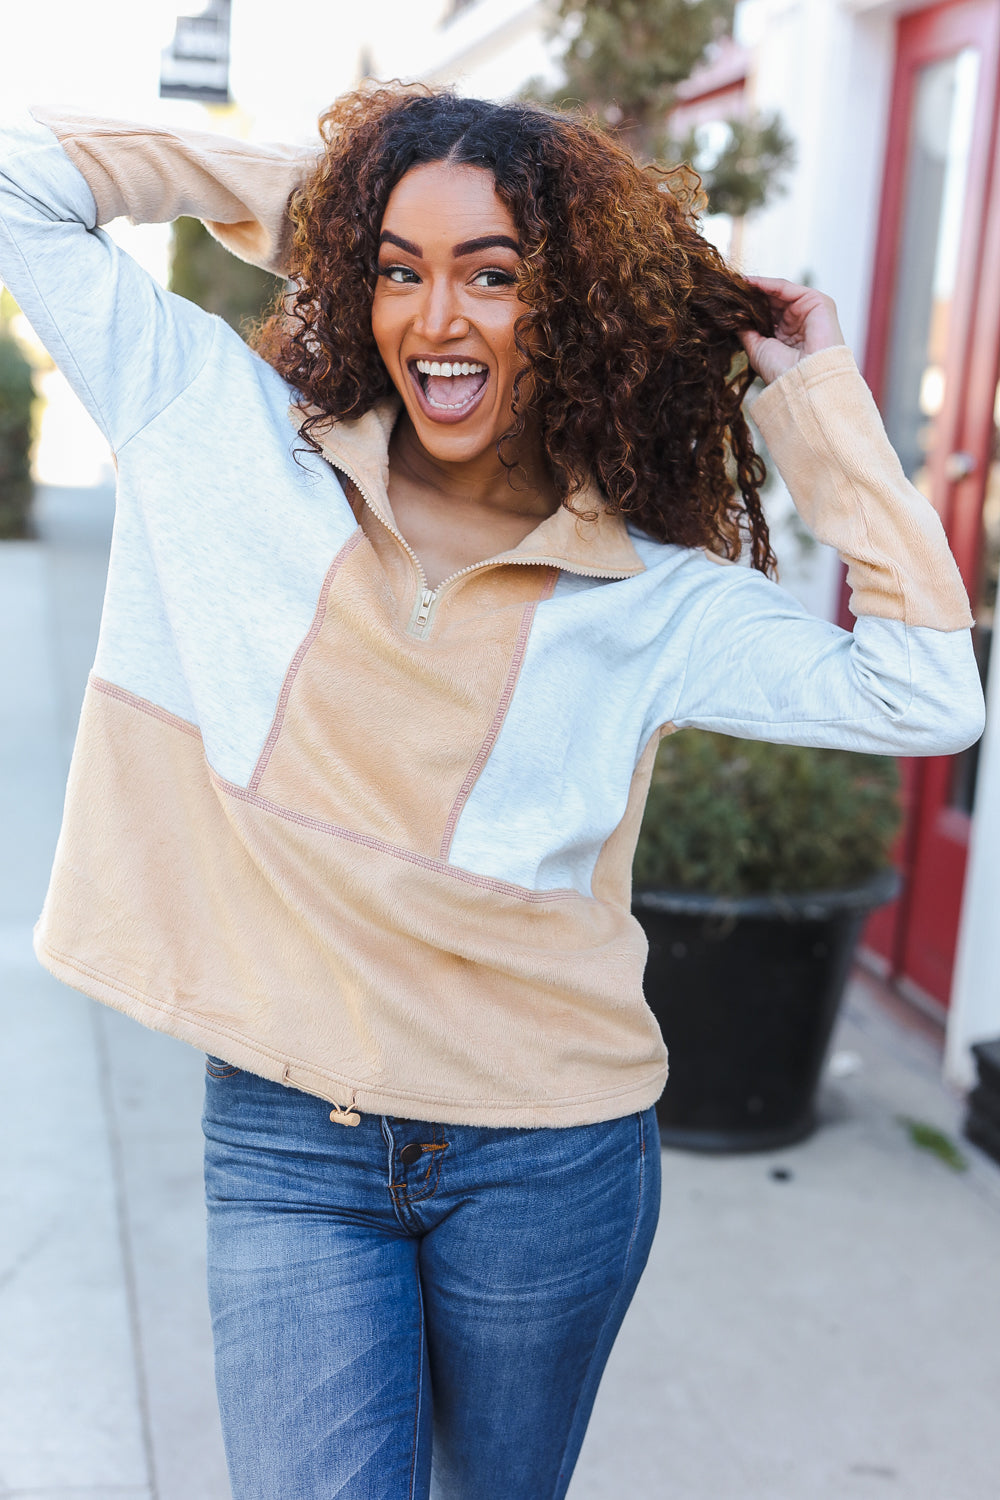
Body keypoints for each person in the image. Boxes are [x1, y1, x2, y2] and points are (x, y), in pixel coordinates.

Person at [0, 85, 984, 1500]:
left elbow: (927, 693)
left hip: (547, 1152)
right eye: (399, 273)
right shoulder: (219, 431)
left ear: (571, 306)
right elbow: (22, 176)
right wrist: (333, 203)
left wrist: (817, 407)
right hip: (292, 1136)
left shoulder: (653, 597)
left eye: (495, 275)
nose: (436, 320)